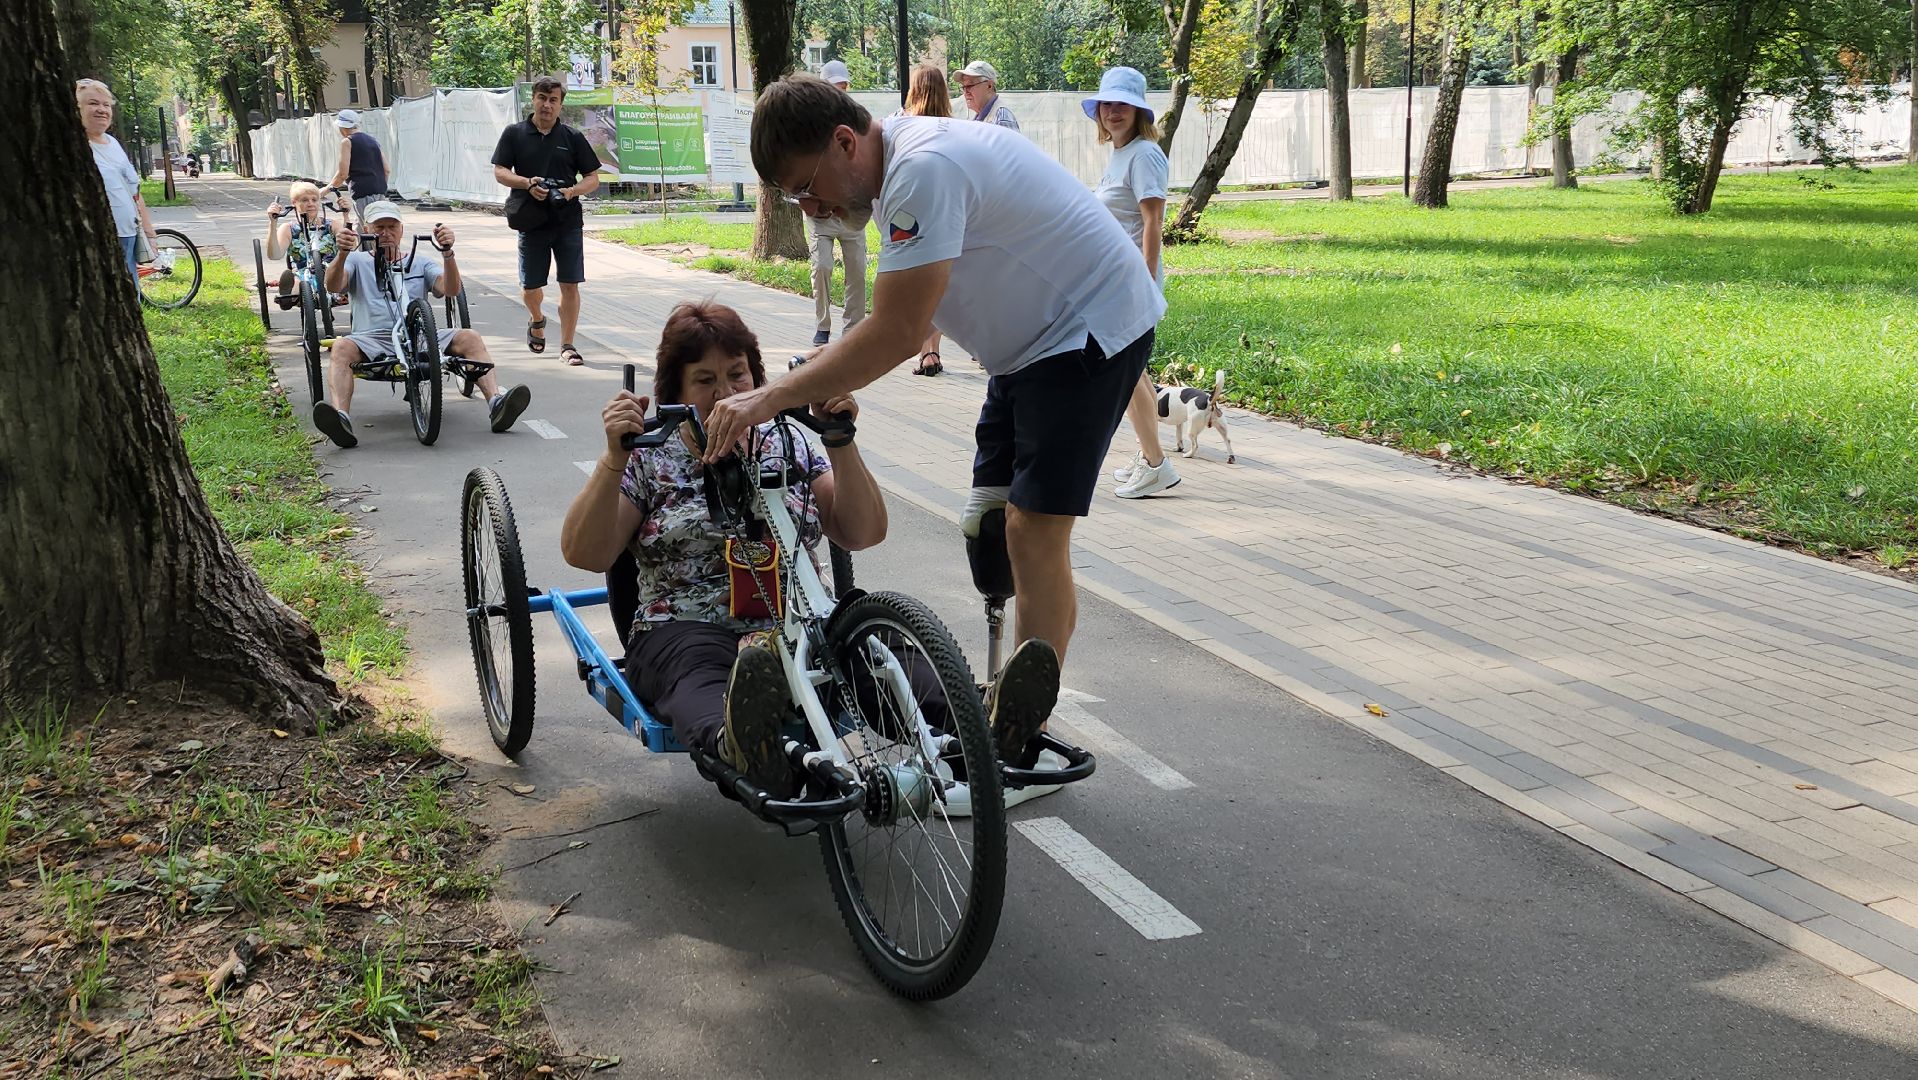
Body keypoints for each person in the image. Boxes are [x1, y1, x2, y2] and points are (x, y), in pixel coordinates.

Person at [716, 76, 1165, 788]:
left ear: (845, 141)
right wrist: (818, 375)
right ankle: (1001, 692)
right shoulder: (900, 165)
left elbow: (895, 333)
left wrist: (771, 397)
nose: (814, 209)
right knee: (986, 524)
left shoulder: (920, 171)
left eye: (809, 187)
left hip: (1087, 329)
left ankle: (1022, 734)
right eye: (798, 200)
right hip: (1025, 348)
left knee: (1031, 528)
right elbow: (901, 312)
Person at [558, 301, 893, 797]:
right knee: (701, 675)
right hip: (687, 629)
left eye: (737, 375)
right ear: (674, 393)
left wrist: (840, 439)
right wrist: (613, 458)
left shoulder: (787, 443)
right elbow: (586, 553)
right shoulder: (649, 459)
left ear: (759, 381)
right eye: (705, 380)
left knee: (865, 652)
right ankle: (741, 747)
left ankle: (972, 719)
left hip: (798, 626)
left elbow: (862, 533)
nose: (726, 394)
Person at [315, 201, 531, 448]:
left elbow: (450, 289)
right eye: (379, 227)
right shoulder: (357, 260)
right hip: (373, 338)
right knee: (341, 347)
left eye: (391, 226)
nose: (385, 233)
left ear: (402, 229)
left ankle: (496, 403)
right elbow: (333, 286)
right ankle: (341, 418)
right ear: (367, 229)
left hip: (420, 335)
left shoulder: (420, 262)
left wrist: (448, 253)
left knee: (470, 337)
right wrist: (342, 253)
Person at [1085, 67, 1180, 500]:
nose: (1112, 111)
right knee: (1130, 373)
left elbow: (1153, 223)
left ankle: (1157, 464)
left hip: (1130, 284)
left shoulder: (1144, 154)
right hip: (1114, 282)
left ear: (1139, 110)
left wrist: (1143, 282)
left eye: (1122, 104)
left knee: (1124, 376)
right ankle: (1151, 457)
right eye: (1107, 104)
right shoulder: (1122, 153)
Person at [492, 75, 604, 367]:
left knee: (570, 284)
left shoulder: (572, 137)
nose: (547, 105)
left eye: (553, 100)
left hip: (567, 222)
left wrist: (571, 191)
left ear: (560, 104)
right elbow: (500, 171)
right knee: (530, 288)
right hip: (530, 221)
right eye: (542, 98)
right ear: (534, 99)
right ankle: (537, 318)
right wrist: (527, 183)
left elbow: (592, 179)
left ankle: (567, 344)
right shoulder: (514, 134)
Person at [889, 64, 950, 376]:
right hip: (946, 216)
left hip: (909, 214)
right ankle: (933, 352)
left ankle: (922, 351)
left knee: (919, 287)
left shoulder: (902, 124)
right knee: (940, 287)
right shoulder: (951, 127)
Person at [806, 61, 867, 347]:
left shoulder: (856, 120)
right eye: (835, 87)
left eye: (844, 86)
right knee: (823, 266)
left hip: (851, 213)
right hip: (821, 214)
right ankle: (823, 325)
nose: (841, 92)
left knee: (856, 270)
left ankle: (853, 330)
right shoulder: (810, 126)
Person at [77, 79, 158, 279]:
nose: (102, 110)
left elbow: (135, 192)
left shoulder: (113, 143)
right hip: (100, 239)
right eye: (93, 103)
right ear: (77, 109)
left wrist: (150, 234)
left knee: (131, 296)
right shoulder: (76, 147)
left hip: (129, 234)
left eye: (106, 105)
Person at [263, 180, 344, 303]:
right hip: (302, 274)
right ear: (294, 203)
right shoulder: (288, 228)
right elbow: (274, 255)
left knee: (348, 280)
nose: (310, 204)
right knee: (298, 284)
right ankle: (290, 294)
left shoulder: (332, 225)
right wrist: (273, 222)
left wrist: (346, 215)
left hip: (332, 272)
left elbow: (352, 247)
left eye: (314, 200)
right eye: (305, 200)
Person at [328, 109, 391, 218]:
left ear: (342, 127)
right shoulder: (373, 141)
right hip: (380, 191)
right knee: (375, 224)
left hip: (362, 192)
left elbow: (343, 174)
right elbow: (387, 170)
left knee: (367, 228)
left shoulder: (347, 142)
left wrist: (325, 190)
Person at [954, 61, 1018, 130]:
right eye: (964, 87)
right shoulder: (978, 116)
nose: (965, 92)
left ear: (989, 86)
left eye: (969, 86)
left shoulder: (1001, 118)